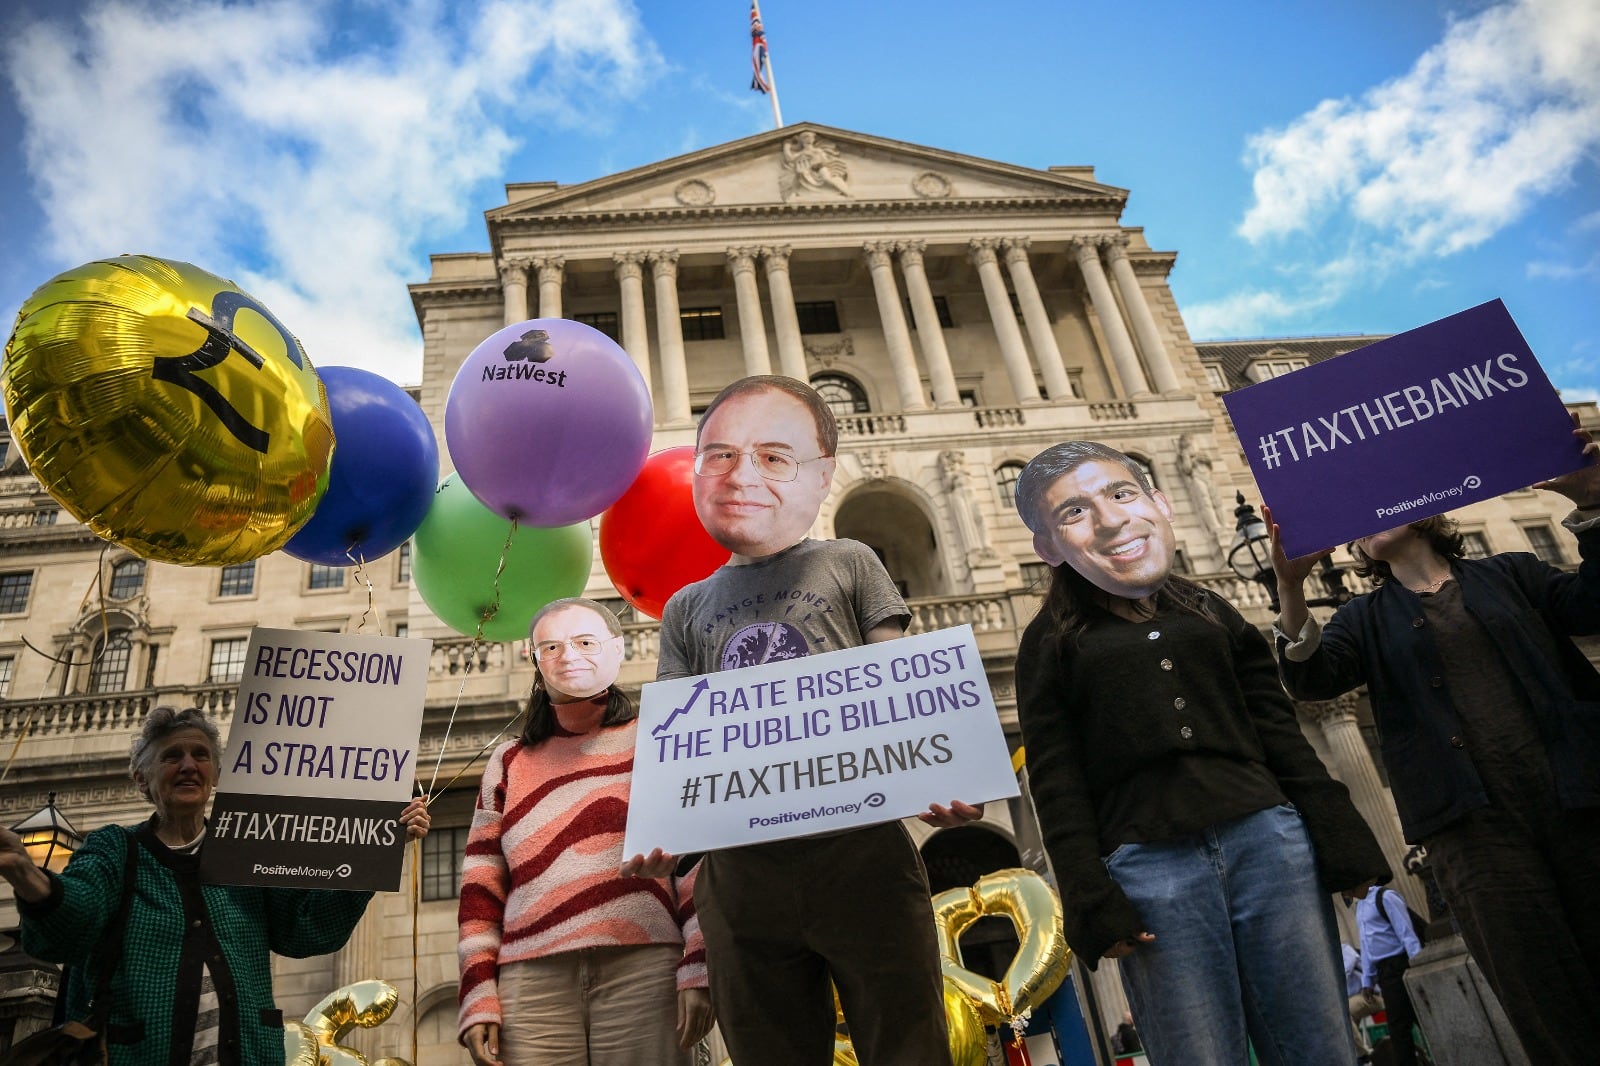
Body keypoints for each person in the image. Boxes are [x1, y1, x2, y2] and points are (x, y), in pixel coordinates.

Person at [623, 375, 980, 1066]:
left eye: (773, 457)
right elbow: (676, 742)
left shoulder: (851, 560)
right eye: (720, 456)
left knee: (907, 1044)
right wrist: (665, 832)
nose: (742, 475)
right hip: (741, 879)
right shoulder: (684, 608)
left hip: (862, 854)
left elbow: (898, 682)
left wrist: (937, 772)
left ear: (818, 478)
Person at [1011, 440, 1388, 1066]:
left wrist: (1342, 836)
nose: (1108, 519)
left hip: (1269, 842)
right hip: (1149, 866)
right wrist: (1088, 893)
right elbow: (1056, 777)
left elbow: (1277, 731)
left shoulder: (1211, 609)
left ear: (1158, 504)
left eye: (1121, 494)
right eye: (1073, 512)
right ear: (1048, 547)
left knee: (1319, 1043)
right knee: (1198, 1053)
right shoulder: (1048, 640)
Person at [1269, 419, 1600, 1066]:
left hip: (1580, 800)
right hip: (1472, 835)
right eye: (1355, 528)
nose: (1362, 525)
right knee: (1545, 1001)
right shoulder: (1362, 619)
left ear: (1422, 511)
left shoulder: (1515, 573)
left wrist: (1592, 501)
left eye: (1373, 507)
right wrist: (1289, 588)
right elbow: (1310, 678)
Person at [0, 705, 430, 1066]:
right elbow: (75, 918)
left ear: (217, 774)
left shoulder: (245, 851)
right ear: (140, 777)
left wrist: (381, 851)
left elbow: (306, 930)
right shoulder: (114, 848)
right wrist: (27, 876)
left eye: (200, 755)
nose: (189, 766)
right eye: (172, 756)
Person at [456, 597, 712, 1066]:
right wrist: (477, 992)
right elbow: (481, 882)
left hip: (646, 966)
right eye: (550, 646)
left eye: (585, 642)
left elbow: (696, 859)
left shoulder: (660, 737)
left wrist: (699, 964)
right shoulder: (508, 761)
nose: (568, 656)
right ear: (532, 658)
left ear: (617, 649)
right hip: (529, 981)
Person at [1353, 885, 1423, 1066]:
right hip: (1385, 974)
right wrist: (1368, 980)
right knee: (1399, 1028)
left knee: (1417, 1020)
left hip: (1400, 964)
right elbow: (1366, 945)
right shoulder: (1360, 906)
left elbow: (1407, 933)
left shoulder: (1385, 896)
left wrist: (1417, 965)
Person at [1342, 941, 1381, 1062]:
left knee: (1341, 1014)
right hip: (1351, 1000)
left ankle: (1363, 1055)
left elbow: (1347, 969)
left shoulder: (1344, 949)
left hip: (1369, 996)